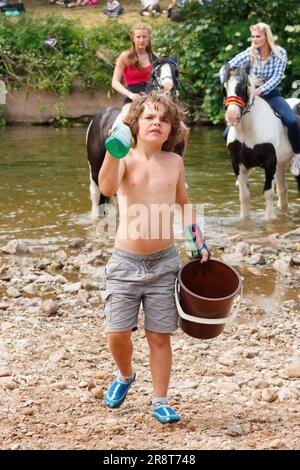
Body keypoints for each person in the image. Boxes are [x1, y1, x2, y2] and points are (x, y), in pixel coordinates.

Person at [99, 92, 209, 424]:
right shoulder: (124, 156)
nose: (156, 123)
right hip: (125, 262)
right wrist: (112, 149)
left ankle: (160, 399)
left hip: (164, 263)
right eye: (149, 117)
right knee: (117, 333)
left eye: (164, 119)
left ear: (171, 128)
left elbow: (184, 204)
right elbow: (105, 188)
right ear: (135, 124)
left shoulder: (174, 162)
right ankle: (125, 374)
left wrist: (197, 240)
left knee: (159, 336)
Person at [219, 22, 300, 176]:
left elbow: (277, 77)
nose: (255, 39)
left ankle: (297, 155)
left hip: (271, 93)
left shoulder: (279, 53)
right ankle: (247, 158)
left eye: (258, 36)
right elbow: (224, 68)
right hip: (250, 97)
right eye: (253, 36)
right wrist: (227, 85)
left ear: (266, 37)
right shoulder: (248, 53)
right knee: (225, 134)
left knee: (290, 120)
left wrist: (260, 90)